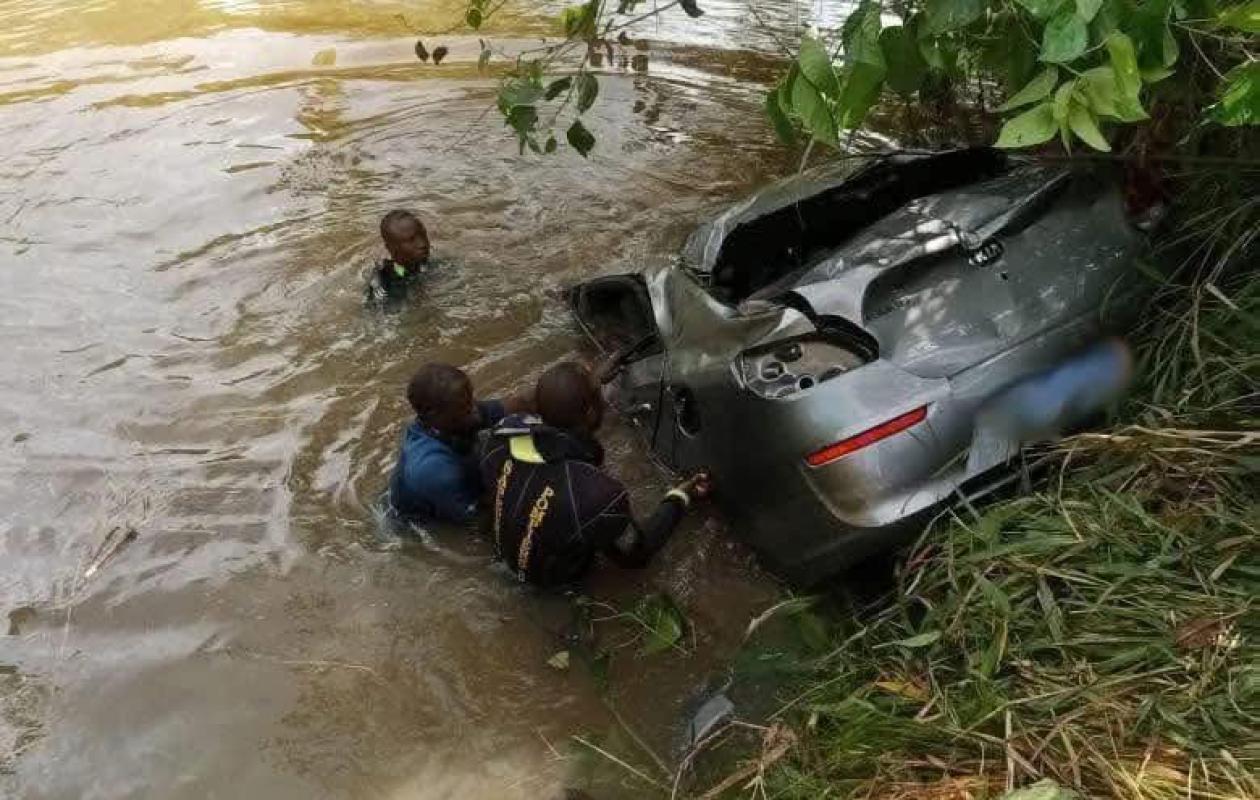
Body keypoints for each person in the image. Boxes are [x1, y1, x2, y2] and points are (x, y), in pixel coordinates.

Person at [478, 361, 710, 587]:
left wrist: (592, 383)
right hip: (556, 586)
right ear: (589, 412)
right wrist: (679, 497)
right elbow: (635, 555)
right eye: (599, 397)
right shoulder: (598, 497)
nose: (605, 403)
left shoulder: (501, 435)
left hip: (502, 557)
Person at [389, 363, 532, 524]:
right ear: (433, 414)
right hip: (418, 525)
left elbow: (517, 404)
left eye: (471, 400)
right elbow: (477, 523)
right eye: (464, 408)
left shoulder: (456, 414)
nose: (476, 412)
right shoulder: (433, 470)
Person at [366, 209, 432, 306]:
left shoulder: (436, 265)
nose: (422, 243)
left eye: (423, 234)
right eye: (411, 240)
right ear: (391, 248)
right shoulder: (383, 286)